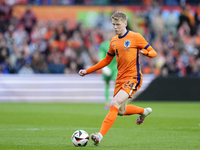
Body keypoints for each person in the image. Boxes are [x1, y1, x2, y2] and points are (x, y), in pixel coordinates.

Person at [79, 11, 157, 146]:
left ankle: (99, 136)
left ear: (125, 23)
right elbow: (106, 61)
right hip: (120, 79)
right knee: (120, 111)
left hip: (133, 77)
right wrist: (87, 71)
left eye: (118, 24)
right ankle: (144, 112)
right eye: (114, 24)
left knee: (114, 102)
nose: (115, 27)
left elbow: (153, 52)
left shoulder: (135, 37)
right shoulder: (114, 41)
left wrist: (146, 53)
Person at [99, 31, 117, 109]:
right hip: (107, 66)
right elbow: (101, 55)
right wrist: (103, 67)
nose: (111, 35)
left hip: (116, 66)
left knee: (116, 83)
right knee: (107, 84)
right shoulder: (103, 45)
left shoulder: (118, 43)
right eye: (110, 34)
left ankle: (115, 102)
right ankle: (107, 102)